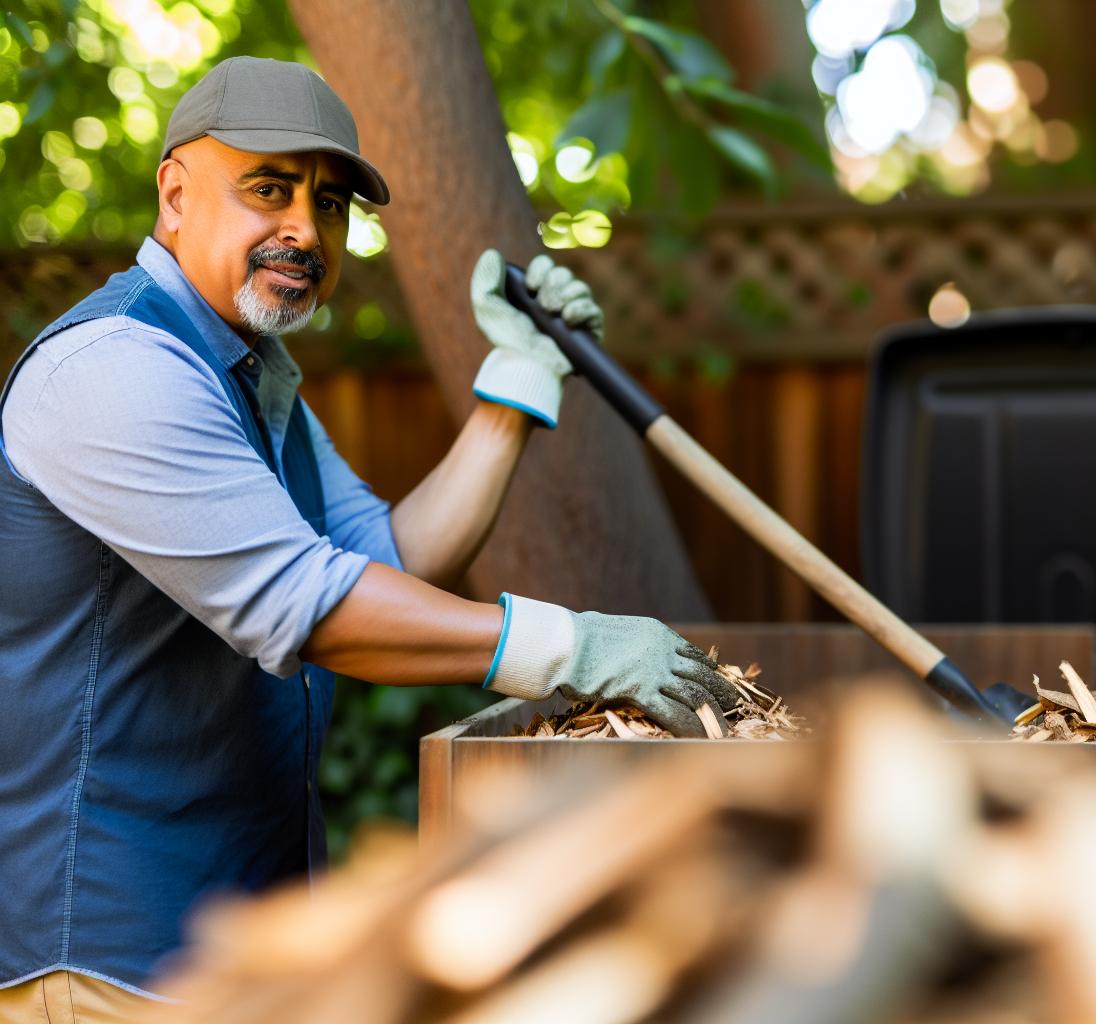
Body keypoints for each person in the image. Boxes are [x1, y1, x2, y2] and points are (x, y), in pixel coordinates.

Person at [0, 56, 739, 1019]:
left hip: (226, 943)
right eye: (268, 188)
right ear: (175, 195)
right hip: (102, 958)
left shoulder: (249, 378)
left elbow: (387, 559)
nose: (305, 230)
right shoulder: (116, 371)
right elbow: (314, 608)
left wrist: (520, 382)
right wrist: (576, 647)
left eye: (332, 203)